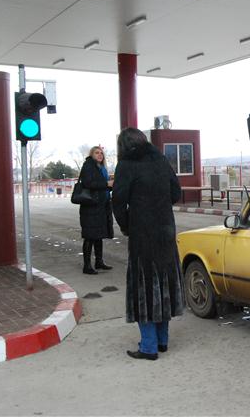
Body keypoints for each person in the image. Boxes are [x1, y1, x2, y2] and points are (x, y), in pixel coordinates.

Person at [112, 128, 184, 361]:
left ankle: (148, 346)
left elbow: (118, 202)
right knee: (164, 283)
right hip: (165, 230)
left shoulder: (126, 165)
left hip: (142, 233)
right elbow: (176, 192)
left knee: (143, 285)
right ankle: (162, 341)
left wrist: (127, 226)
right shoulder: (161, 160)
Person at [79, 146, 114, 275]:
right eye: (97, 153)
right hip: (90, 206)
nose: (100, 155)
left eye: (101, 153)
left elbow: (101, 186)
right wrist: (106, 184)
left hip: (101, 205)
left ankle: (99, 261)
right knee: (89, 236)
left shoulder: (102, 168)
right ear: (91, 154)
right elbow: (88, 183)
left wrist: (109, 186)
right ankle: (87, 266)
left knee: (98, 235)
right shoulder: (88, 166)